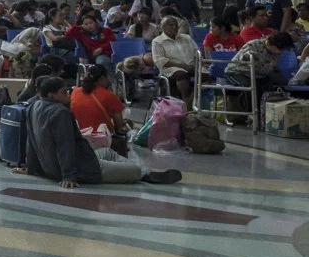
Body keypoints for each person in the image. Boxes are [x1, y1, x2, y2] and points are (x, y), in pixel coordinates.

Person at [21, 77, 179, 187]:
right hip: (83, 169)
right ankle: (143, 173)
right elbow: (65, 145)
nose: (68, 94)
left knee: (107, 152)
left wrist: (31, 167)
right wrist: (68, 175)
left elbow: (32, 140)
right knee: (135, 171)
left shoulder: (33, 107)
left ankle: (145, 171)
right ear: (51, 95)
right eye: (63, 92)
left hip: (63, 163)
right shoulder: (60, 112)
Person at [150, 15, 201, 106]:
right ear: (163, 27)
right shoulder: (157, 41)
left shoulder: (187, 38)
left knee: (206, 77)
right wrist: (183, 66)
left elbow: (197, 53)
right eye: (170, 25)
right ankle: (185, 97)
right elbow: (160, 60)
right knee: (182, 75)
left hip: (192, 65)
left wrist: (196, 64)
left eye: (175, 25)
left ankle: (189, 100)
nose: (174, 27)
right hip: (172, 68)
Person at [71, 65, 128, 141]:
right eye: (107, 78)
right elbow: (119, 128)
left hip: (80, 136)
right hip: (101, 138)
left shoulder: (75, 92)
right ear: (102, 79)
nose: (108, 81)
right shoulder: (110, 96)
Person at [227, 31, 295, 90]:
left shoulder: (276, 51)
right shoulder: (253, 45)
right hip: (239, 72)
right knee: (249, 87)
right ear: (274, 45)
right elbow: (244, 58)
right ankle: (250, 105)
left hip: (260, 75)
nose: (281, 52)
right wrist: (251, 56)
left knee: (282, 82)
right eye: (281, 49)